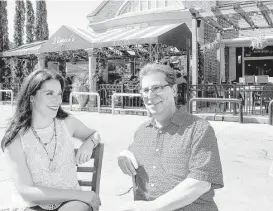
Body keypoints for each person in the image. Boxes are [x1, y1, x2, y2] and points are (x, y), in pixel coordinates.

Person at [118, 63, 224, 211]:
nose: (150, 95)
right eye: (145, 90)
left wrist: (151, 208)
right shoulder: (142, 131)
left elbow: (200, 183)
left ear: (174, 89)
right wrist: (124, 155)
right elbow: (131, 154)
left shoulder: (199, 129)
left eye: (157, 88)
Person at [1, 69, 101, 211]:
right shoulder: (16, 138)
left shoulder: (67, 123)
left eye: (59, 94)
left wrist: (89, 144)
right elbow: (26, 191)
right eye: (49, 94)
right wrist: (80, 195)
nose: (57, 100)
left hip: (70, 204)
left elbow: (95, 134)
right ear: (31, 96)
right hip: (32, 206)